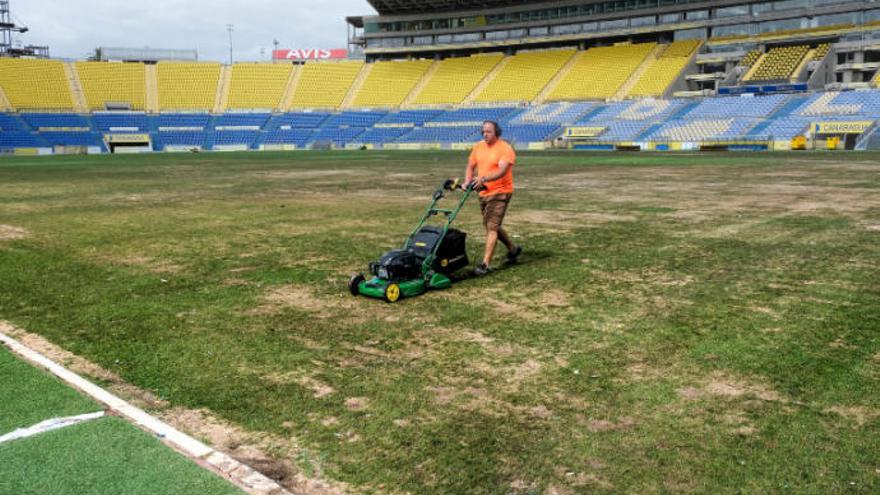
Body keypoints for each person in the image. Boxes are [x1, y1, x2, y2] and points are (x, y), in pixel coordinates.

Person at [465, 120, 522, 276]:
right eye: (483, 131)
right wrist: (467, 181)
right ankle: (513, 249)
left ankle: (485, 264)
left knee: (491, 227)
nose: (485, 134)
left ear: (496, 132)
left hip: (500, 192)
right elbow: (470, 165)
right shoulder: (478, 147)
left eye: (488, 131)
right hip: (483, 192)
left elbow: (502, 171)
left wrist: (483, 179)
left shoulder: (505, 149)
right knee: (491, 225)